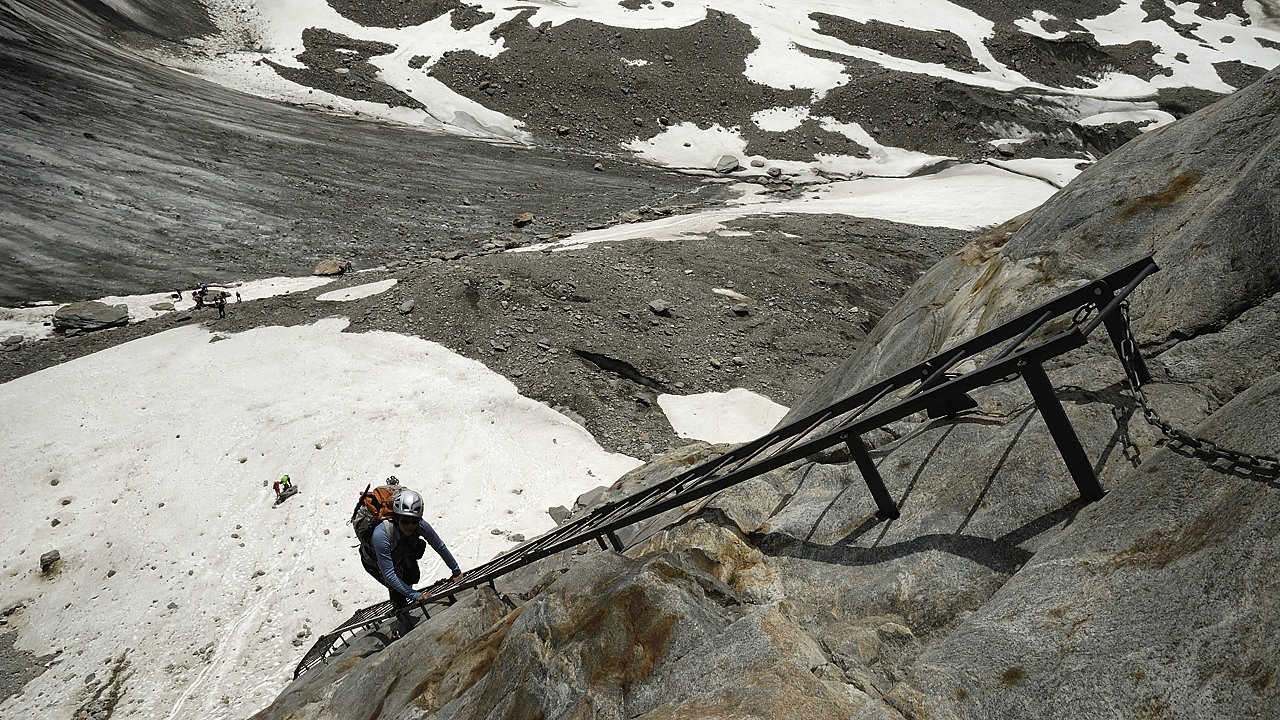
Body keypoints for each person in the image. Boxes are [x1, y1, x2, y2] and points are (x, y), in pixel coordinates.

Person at [363, 489, 462, 607]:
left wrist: (456, 571)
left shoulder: (420, 525)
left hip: (399, 550)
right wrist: (416, 596)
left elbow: (439, 546)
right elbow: (389, 574)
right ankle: (400, 607)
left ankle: (405, 592)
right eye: (405, 521)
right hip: (373, 560)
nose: (409, 525)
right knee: (397, 591)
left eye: (414, 521)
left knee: (412, 576)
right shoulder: (381, 535)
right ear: (397, 518)